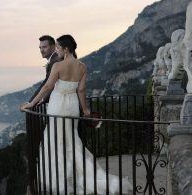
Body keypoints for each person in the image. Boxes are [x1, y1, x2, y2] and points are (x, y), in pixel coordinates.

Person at [21, 35, 132, 194]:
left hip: (58, 106)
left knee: (56, 141)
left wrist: (31, 104)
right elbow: (81, 90)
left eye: (58, 48)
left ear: (66, 49)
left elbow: (47, 87)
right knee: (72, 140)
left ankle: (59, 179)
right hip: (73, 106)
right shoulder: (82, 66)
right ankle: (80, 174)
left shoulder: (58, 66)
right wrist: (85, 110)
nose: (57, 50)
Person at [29, 35, 60, 103]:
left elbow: (47, 85)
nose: (41, 50)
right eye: (40, 48)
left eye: (44, 47)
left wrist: (31, 102)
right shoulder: (55, 59)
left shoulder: (54, 61)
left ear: (53, 47)